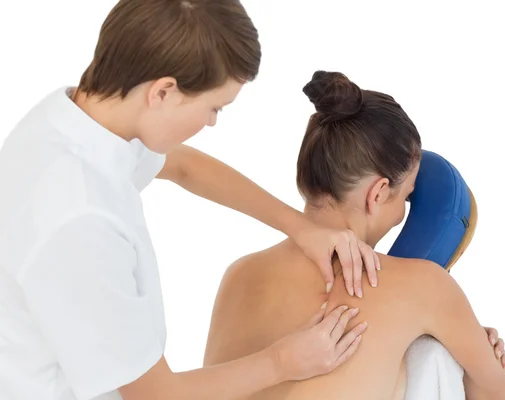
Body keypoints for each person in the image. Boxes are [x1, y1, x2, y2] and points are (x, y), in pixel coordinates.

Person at [0, 2, 381, 400]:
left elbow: (182, 167)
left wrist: (302, 227)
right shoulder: (79, 219)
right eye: (214, 107)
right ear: (163, 91)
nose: (212, 122)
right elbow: (156, 394)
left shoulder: (77, 120)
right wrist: (283, 361)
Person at [203, 71, 505, 400]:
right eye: (406, 197)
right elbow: (497, 393)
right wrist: (473, 352)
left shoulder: (237, 276)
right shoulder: (424, 285)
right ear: (378, 193)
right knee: (436, 354)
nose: (401, 215)